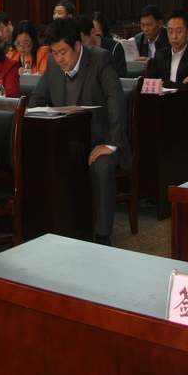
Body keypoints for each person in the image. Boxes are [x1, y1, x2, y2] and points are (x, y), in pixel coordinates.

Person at [30, 18, 128, 244]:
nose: (59, 58)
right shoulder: (53, 64)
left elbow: (116, 100)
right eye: (54, 53)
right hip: (67, 140)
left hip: (99, 139)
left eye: (63, 52)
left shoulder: (100, 59)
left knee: (102, 166)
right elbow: (37, 98)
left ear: (77, 45)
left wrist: (111, 143)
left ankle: (102, 236)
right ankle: (59, 229)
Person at [145, 10, 188, 144]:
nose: (174, 36)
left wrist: (163, 83)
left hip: (186, 111)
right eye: (170, 31)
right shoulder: (160, 55)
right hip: (161, 108)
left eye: (179, 31)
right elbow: (150, 82)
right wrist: (179, 84)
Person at [91, 13, 127, 78]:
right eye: (92, 32)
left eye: (98, 30)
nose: (95, 34)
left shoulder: (115, 47)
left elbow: (121, 77)